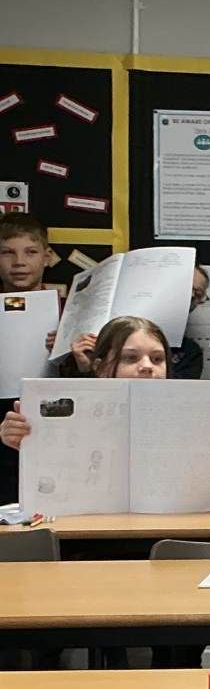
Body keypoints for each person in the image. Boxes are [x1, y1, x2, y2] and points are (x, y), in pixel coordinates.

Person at [1, 315, 210, 509]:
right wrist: (22, 440)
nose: (147, 366)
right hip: (84, 536)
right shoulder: (68, 415)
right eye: (130, 358)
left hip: (162, 533)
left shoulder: (189, 422)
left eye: (157, 359)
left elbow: (201, 487)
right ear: (100, 367)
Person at [0, 212, 58, 505]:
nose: (19, 262)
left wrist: (67, 352)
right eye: (7, 253)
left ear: (47, 257)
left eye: (30, 252)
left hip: (54, 423)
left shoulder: (70, 312)